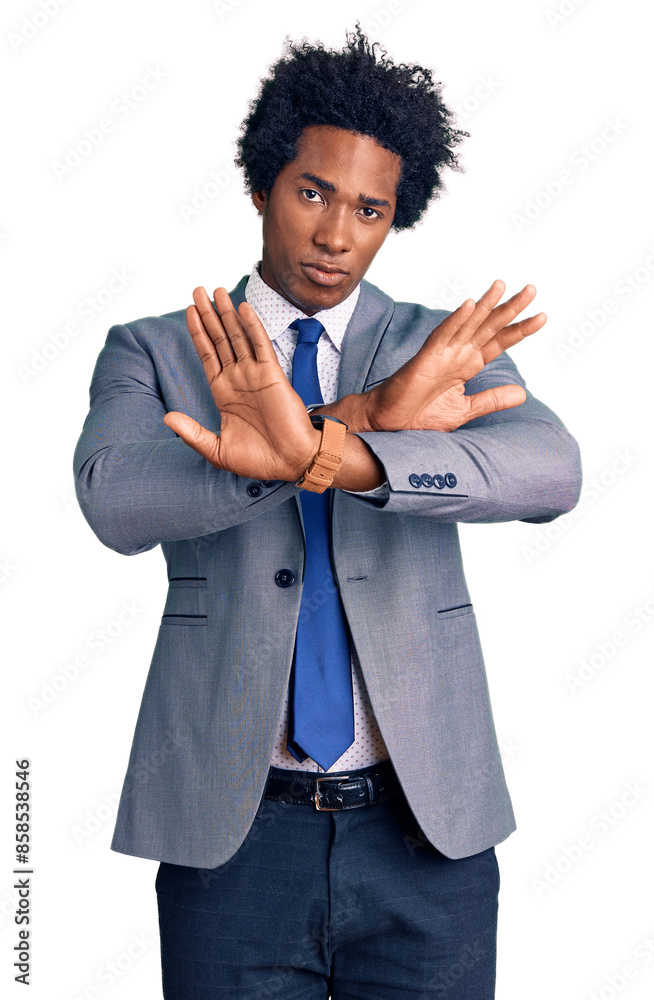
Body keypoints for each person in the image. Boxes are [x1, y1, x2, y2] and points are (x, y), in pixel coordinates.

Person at [73, 25, 582, 1000]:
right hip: (233, 833)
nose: (336, 234)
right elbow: (113, 497)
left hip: (425, 831)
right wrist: (351, 429)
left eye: (370, 209)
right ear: (264, 184)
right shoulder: (157, 350)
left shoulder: (433, 345)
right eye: (312, 192)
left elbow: (548, 472)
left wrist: (352, 440)